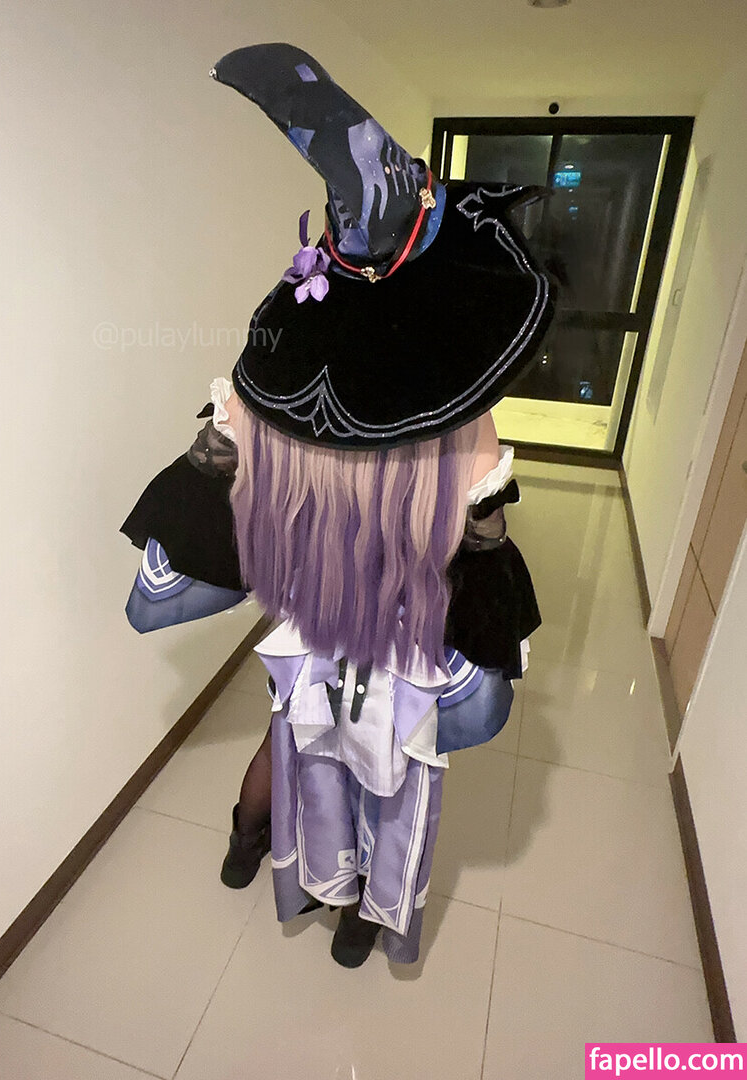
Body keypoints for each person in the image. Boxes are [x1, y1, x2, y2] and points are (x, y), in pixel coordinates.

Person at [121, 43, 556, 968]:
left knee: (293, 737)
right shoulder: (453, 414)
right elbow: (485, 576)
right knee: (381, 776)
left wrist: (231, 427)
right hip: (395, 631)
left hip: (314, 614)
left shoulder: (279, 402)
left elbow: (177, 564)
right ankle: (354, 915)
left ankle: (247, 849)